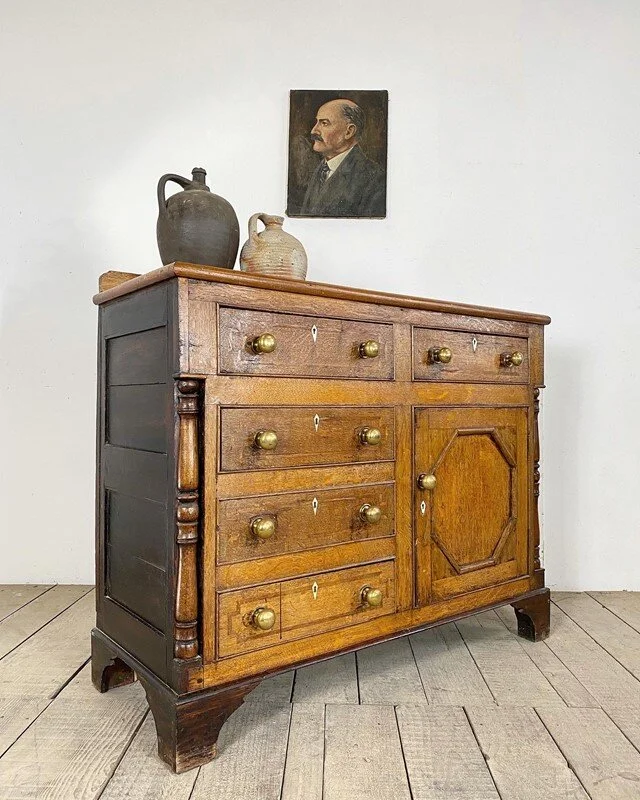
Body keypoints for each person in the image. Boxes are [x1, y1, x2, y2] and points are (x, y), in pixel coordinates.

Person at [298, 99, 386, 218]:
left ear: (349, 132)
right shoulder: (321, 169)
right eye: (316, 122)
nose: (314, 130)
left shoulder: (374, 179)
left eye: (324, 123)